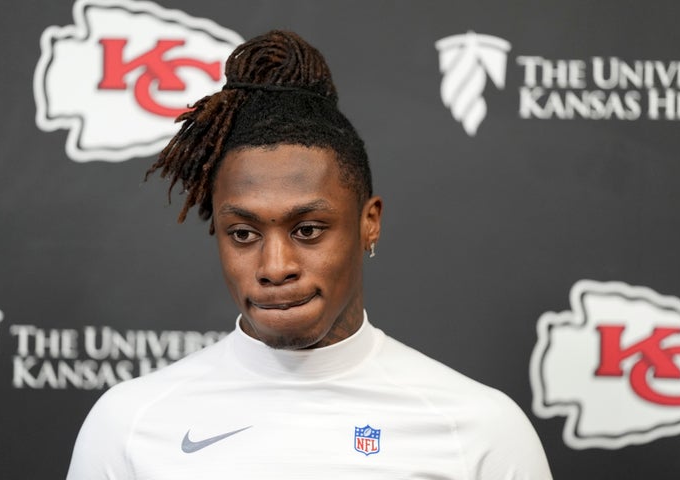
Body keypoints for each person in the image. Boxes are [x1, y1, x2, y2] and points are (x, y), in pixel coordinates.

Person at [67, 30, 553, 479]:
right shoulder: (129, 424)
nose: (275, 268)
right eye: (243, 234)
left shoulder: (480, 432)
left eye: (307, 230)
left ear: (369, 223)